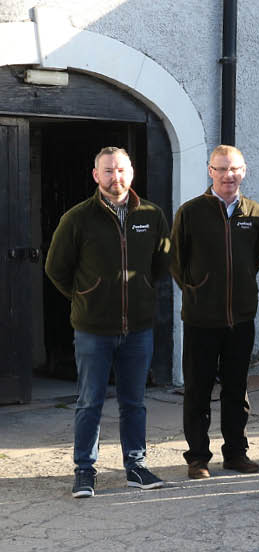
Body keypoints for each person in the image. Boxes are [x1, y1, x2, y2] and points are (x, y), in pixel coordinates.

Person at [45, 147, 171, 497]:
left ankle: (136, 466)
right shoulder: (77, 218)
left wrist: (141, 290)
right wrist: (86, 296)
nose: (116, 177)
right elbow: (56, 268)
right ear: (96, 175)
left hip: (138, 329)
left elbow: (161, 264)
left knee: (134, 402)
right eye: (108, 171)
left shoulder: (151, 215)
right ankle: (85, 470)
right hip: (93, 331)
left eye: (121, 170)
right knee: (90, 402)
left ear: (131, 172)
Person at [170, 145, 259, 480]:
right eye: (222, 169)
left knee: (236, 390)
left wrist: (241, 288)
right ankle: (198, 458)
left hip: (240, 318)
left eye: (234, 169)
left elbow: (255, 258)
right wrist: (198, 289)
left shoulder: (254, 213)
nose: (229, 175)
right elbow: (177, 261)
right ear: (210, 171)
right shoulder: (191, 212)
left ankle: (236, 453)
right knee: (198, 390)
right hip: (201, 319)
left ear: (244, 171)